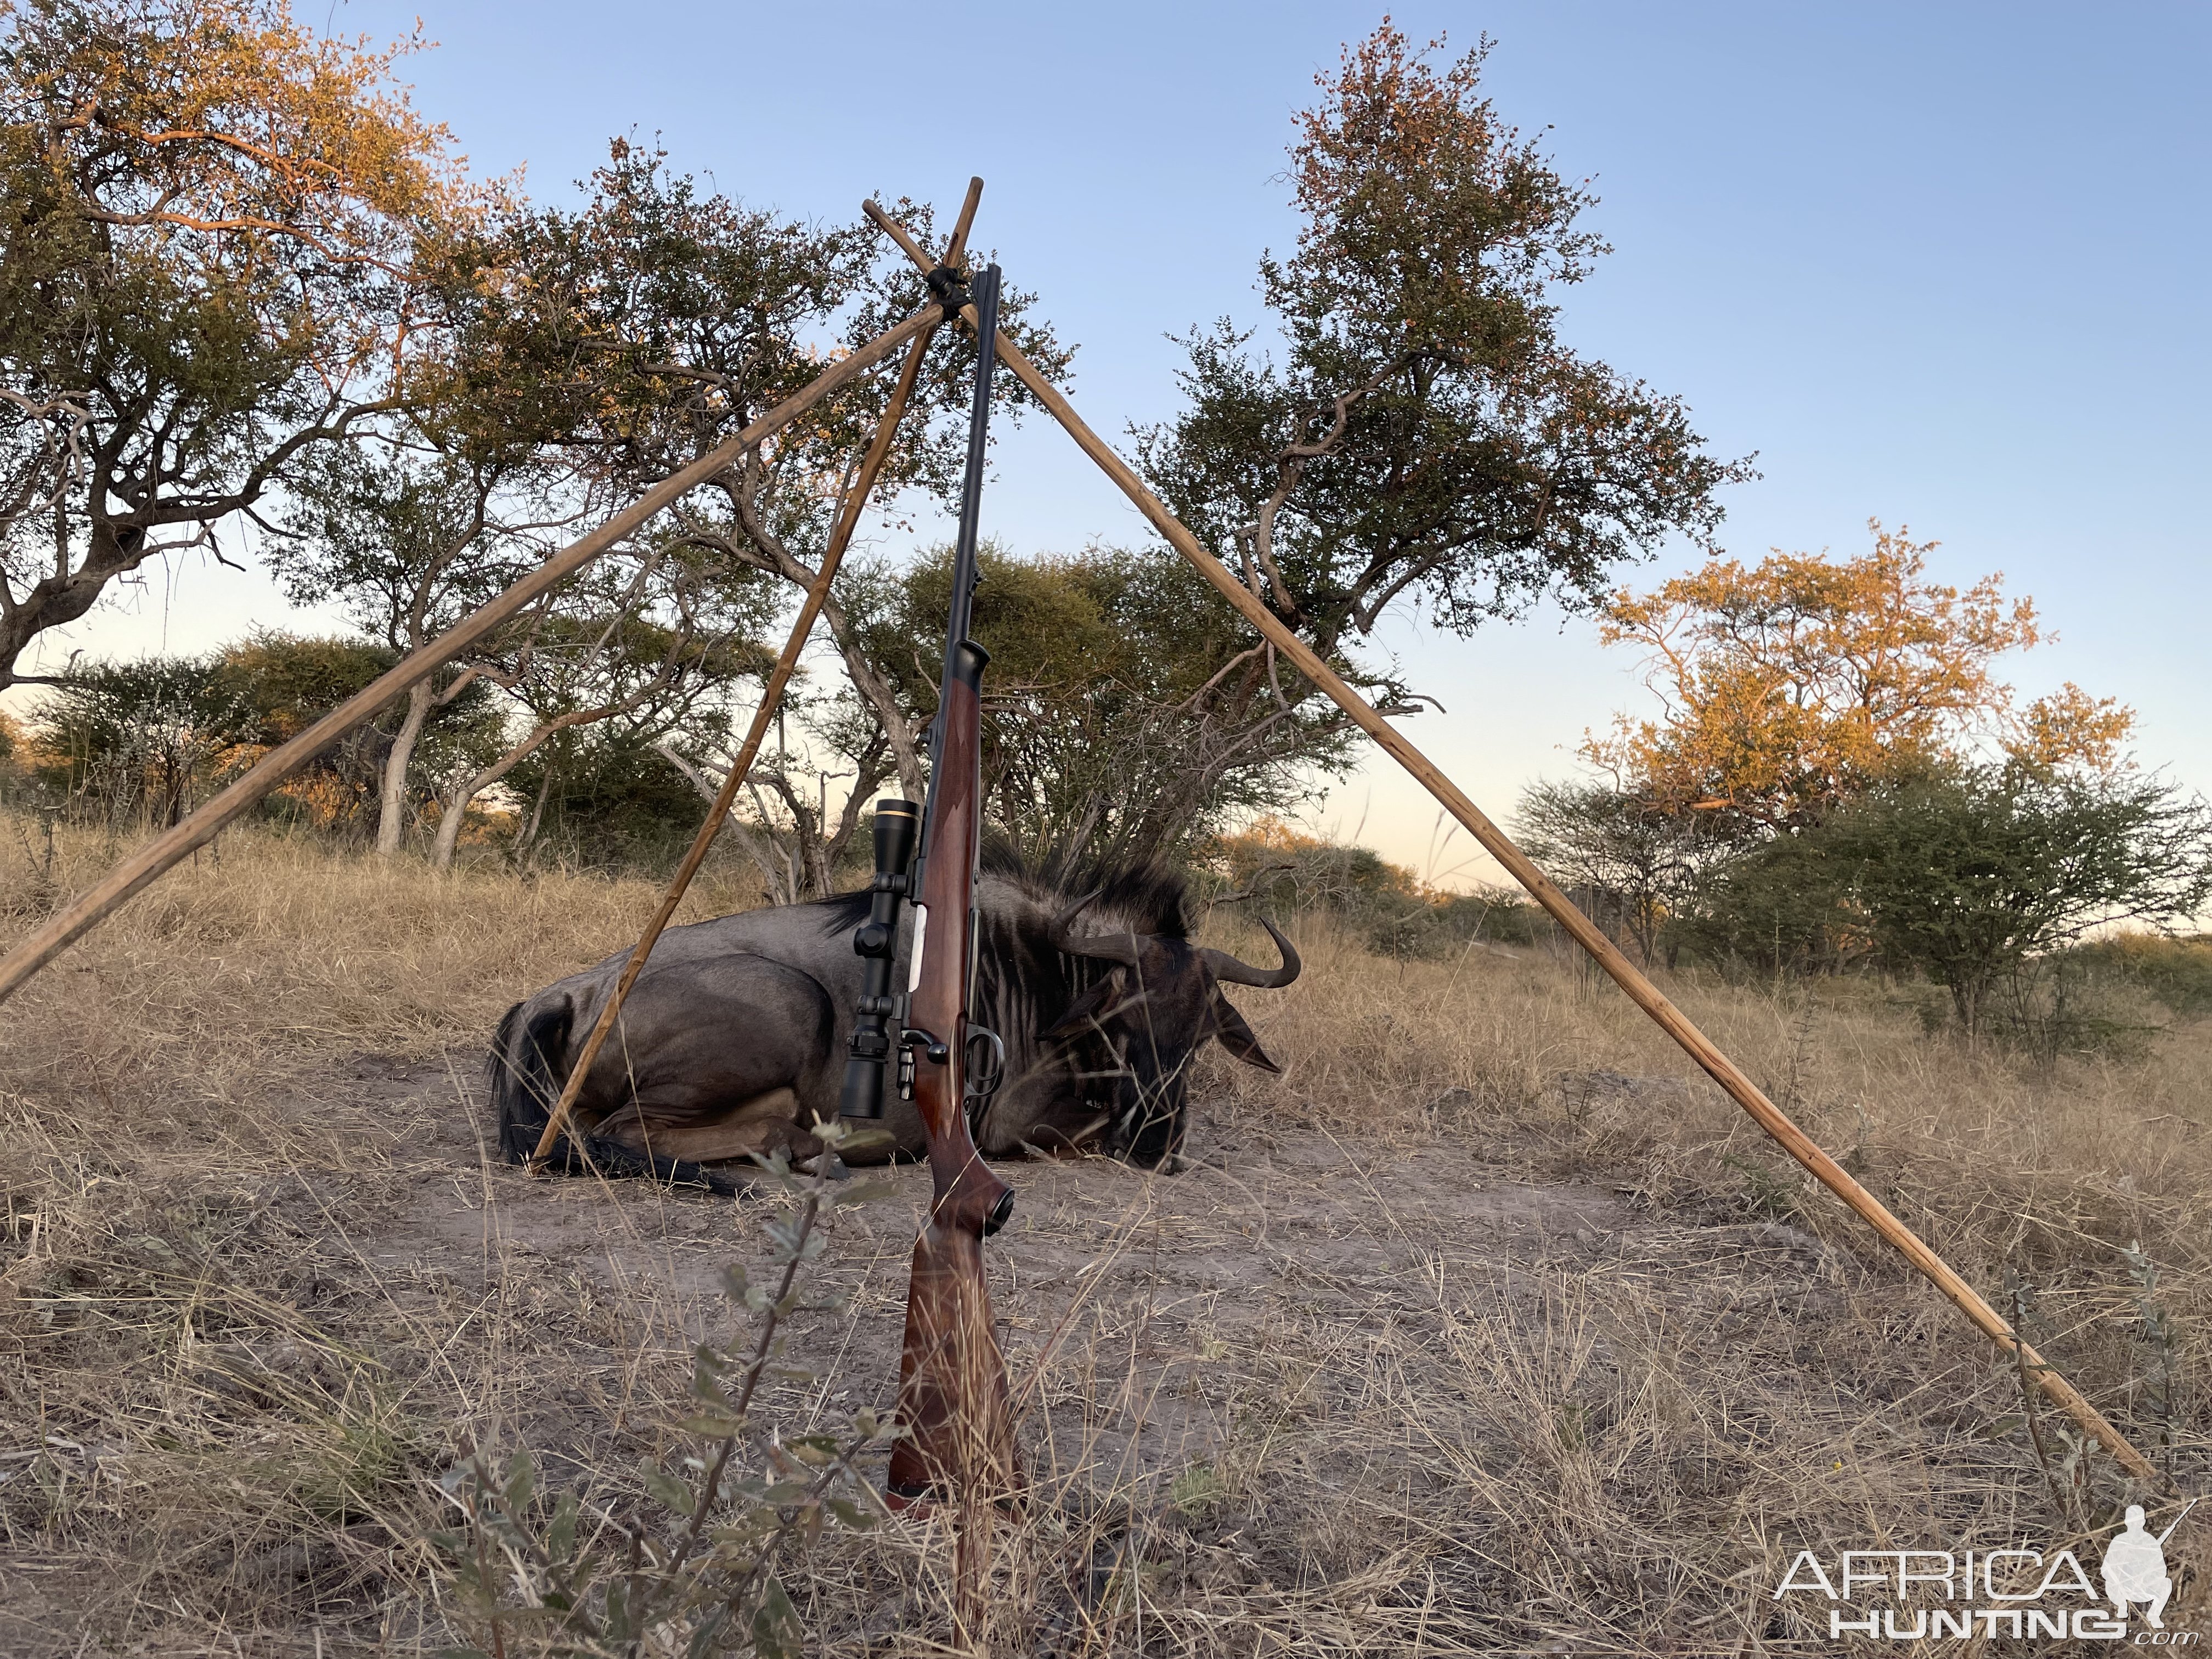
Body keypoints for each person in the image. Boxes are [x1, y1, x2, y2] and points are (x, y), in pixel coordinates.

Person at [2101, 1505, 2172, 1628]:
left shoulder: (2150, 1541)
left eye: (2138, 1521)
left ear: (2143, 1522)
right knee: (2110, 1583)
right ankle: (2122, 1607)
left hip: (2144, 1588)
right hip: (2122, 1589)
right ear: (2127, 1522)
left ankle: (2154, 1615)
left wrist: (2147, 1575)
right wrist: (2120, 1576)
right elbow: (2106, 1569)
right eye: (2132, 1521)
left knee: (2166, 1583)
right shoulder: (2119, 1541)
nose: (2135, 1524)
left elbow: (2162, 1570)